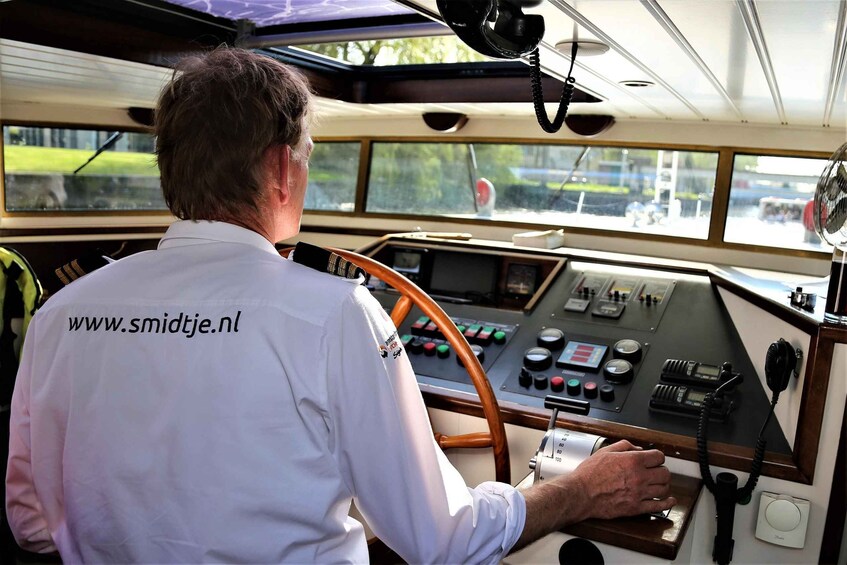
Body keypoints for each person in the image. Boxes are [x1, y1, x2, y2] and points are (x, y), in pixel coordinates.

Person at [5, 48, 674, 563]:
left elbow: (32, 525)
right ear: (278, 170)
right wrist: (578, 489)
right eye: (305, 157)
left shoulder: (64, 313)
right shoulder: (334, 315)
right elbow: (440, 539)